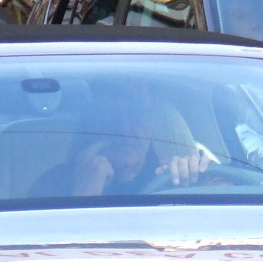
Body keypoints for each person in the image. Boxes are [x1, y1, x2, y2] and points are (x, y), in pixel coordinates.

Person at [36, 83, 212, 196]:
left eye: (137, 114)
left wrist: (200, 180)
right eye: (112, 116)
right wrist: (83, 194)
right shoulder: (52, 187)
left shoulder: (179, 179)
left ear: (152, 122)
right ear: (92, 124)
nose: (125, 130)